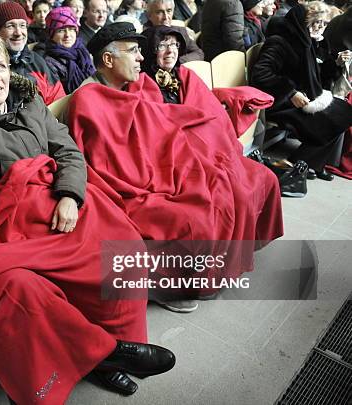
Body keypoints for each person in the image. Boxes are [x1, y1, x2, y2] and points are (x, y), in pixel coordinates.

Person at [0, 31, 175, 401]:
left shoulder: (30, 103)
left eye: (0, 65)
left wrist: (68, 194)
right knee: (89, 269)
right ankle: (100, 357)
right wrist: (43, 185)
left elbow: (69, 152)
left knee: (125, 250)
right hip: (24, 222)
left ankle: (117, 348)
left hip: (66, 200)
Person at [69, 23, 283, 311]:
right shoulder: (88, 99)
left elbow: (162, 127)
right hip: (131, 186)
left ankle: (225, 263)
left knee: (239, 180)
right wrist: (155, 178)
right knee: (193, 216)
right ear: (108, 60)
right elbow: (102, 162)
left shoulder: (139, 85)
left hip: (164, 167)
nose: (141, 58)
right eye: (133, 51)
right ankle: (174, 286)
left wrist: (182, 163)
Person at [250, 3, 352, 180]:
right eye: (317, 22)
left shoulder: (306, 41)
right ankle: (300, 162)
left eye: (324, 23)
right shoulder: (280, 41)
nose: (321, 27)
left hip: (303, 96)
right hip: (282, 101)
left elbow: (315, 76)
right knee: (335, 116)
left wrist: (335, 63)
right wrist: (291, 93)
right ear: (302, 22)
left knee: (344, 111)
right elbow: (261, 73)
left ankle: (313, 162)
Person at [0, 1, 65, 104]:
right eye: (10, 26)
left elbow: (58, 99)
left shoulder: (37, 61)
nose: (18, 33)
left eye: (22, 25)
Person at [43, 7, 95, 93]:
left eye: (71, 29)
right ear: (51, 35)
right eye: (61, 30)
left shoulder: (83, 52)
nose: (67, 35)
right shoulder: (48, 63)